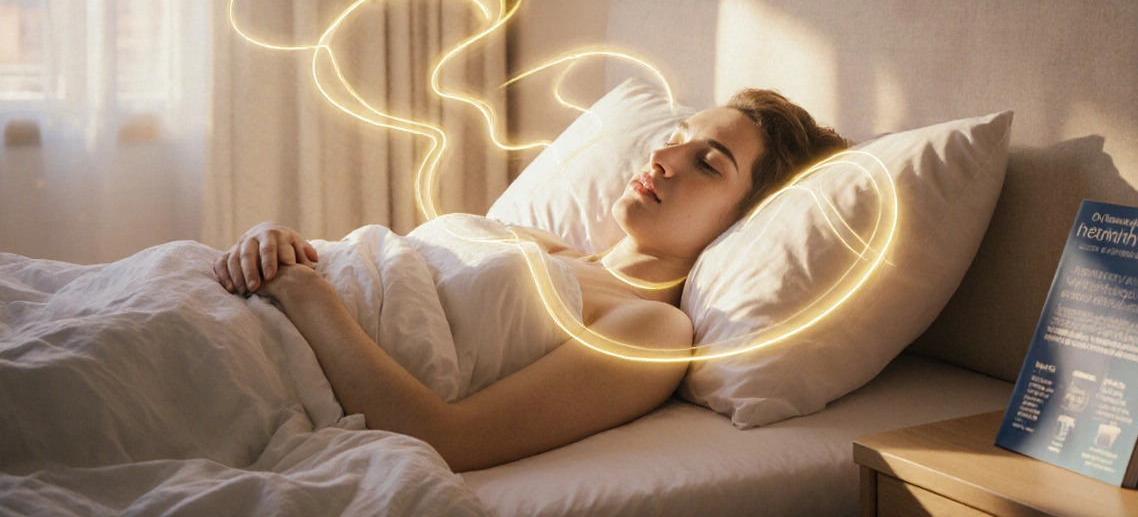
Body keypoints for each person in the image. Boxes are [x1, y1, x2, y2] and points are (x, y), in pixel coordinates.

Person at [210, 89, 848, 472]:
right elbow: (384, 269)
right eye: (676, 138)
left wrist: (305, 293)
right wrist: (277, 243)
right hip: (229, 297)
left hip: (263, 362)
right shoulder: (546, 244)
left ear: (746, 221)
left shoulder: (652, 331)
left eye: (707, 164)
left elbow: (444, 438)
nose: (663, 158)